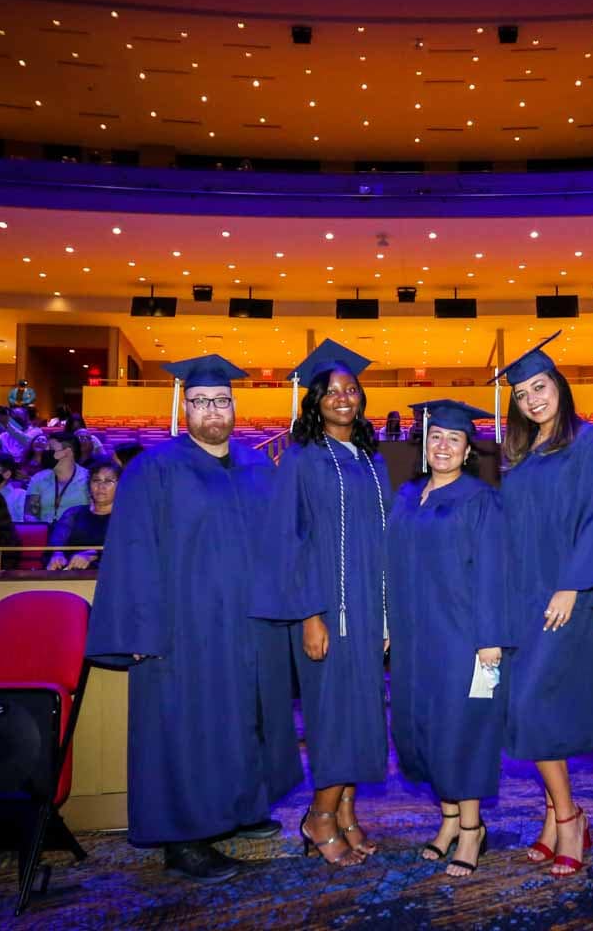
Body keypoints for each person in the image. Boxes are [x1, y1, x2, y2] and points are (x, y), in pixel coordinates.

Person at [85, 354, 301, 882]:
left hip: (248, 626)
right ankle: (184, 839)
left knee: (244, 719)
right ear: (185, 408)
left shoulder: (256, 466)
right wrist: (138, 629)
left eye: (221, 400)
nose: (212, 411)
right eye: (201, 401)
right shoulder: (153, 470)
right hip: (184, 629)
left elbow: (280, 543)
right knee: (184, 728)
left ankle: (241, 808)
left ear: (234, 406)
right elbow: (132, 549)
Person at [252, 339, 391, 868]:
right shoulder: (301, 458)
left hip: (366, 609)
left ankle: (348, 813)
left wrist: (386, 615)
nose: (342, 397)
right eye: (331, 391)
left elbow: (382, 540)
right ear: (315, 401)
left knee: (361, 714)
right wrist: (310, 615)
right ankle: (320, 817)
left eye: (350, 389)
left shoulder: (372, 460)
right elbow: (288, 541)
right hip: (325, 609)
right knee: (333, 717)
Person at [489, 332, 593, 878]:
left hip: (564, 594)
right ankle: (553, 816)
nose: (532, 400)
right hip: (522, 598)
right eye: (521, 395)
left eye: (539, 387)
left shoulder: (590, 442)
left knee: (534, 706)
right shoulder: (518, 456)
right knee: (528, 709)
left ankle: (569, 817)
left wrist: (573, 585)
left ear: (559, 387)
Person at [387, 400, 511, 879]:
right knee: (425, 728)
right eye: (436, 437)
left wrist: (489, 638)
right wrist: (386, 624)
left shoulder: (480, 500)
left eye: (453, 439)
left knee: (463, 730)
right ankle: (448, 821)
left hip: (461, 636)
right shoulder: (406, 496)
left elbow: (493, 572)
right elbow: (388, 565)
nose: (443, 446)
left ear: (467, 449)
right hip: (413, 637)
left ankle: (472, 829)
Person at [47, 458, 117, 570]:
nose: (101, 486)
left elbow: (127, 550)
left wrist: (93, 554)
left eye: (108, 481)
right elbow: (56, 545)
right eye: (96, 480)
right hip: (71, 574)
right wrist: (57, 555)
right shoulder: (73, 514)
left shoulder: (126, 518)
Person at [25, 432, 89, 523]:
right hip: (45, 529)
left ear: (67, 452)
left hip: (77, 531)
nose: (45, 451)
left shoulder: (89, 479)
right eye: (46, 448)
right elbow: (29, 514)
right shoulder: (38, 478)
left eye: (51, 448)